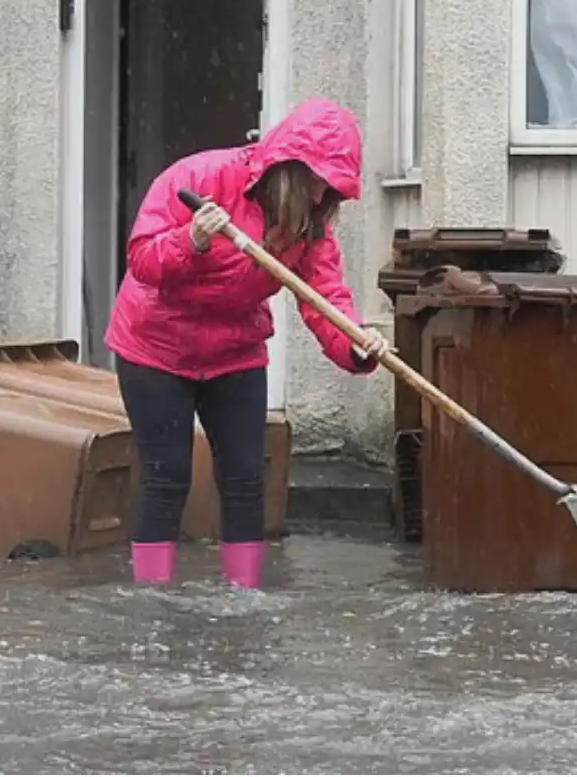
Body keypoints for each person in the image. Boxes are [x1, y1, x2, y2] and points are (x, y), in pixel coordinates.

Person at [105, 97, 392, 591]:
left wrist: (355, 343)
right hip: (156, 347)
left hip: (234, 350)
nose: (324, 192)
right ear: (290, 169)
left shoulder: (311, 224)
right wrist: (191, 241)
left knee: (244, 480)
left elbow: (325, 297)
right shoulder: (200, 177)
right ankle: (150, 601)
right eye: (317, 180)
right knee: (166, 478)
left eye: (332, 186)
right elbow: (143, 261)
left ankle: (246, 596)